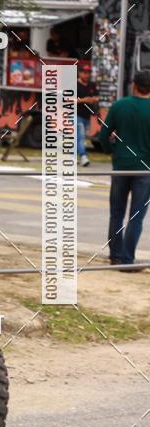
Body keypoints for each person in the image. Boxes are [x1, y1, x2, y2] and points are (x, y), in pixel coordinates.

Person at [100, 69, 150, 271]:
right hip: (145, 170)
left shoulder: (119, 105)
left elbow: (104, 134)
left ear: (133, 85)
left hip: (120, 166)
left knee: (116, 213)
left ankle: (115, 256)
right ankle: (128, 260)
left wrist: (111, 151)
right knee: (136, 216)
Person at [76, 62, 99, 167]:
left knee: (79, 137)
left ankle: (73, 157)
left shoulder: (92, 85)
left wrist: (92, 99)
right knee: (80, 136)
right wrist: (83, 100)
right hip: (76, 114)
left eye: (88, 73)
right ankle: (84, 156)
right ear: (79, 73)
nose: (86, 75)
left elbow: (97, 97)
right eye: (84, 72)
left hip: (87, 116)